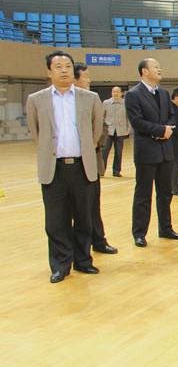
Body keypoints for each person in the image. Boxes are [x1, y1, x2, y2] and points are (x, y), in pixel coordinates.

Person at [27, 51, 104, 283]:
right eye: (58, 66)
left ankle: (83, 261)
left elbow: (96, 130)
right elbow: (36, 132)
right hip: (54, 168)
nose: (64, 70)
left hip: (82, 166)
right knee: (56, 220)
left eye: (68, 66)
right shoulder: (36, 100)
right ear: (49, 72)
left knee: (84, 217)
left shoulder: (90, 98)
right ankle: (60, 265)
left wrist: (85, 150)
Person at [125, 57, 178, 247]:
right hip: (146, 152)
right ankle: (139, 233)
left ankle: (165, 228)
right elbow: (137, 121)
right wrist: (160, 131)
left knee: (165, 193)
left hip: (165, 150)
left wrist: (167, 129)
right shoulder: (133, 94)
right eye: (155, 67)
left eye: (159, 66)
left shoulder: (164, 93)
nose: (160, 69)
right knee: (143, 195)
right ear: (144, 71)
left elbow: (172, 116)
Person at [74, 63, 118, 255]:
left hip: (91, 158)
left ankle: (98, 241)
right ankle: (76, 248)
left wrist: (93, 143)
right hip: (68, 161)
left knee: (93, 205)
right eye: (86, 76)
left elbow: (103, 126)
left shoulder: (93, 99)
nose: (89, 80)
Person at [102, 86, 130, 177]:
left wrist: (128, 129)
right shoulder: (106, 103)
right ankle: (101, 170)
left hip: (120, 131)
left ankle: (116, 171)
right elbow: (102, 116)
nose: (115, 93)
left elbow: (128, 117)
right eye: (114, 91)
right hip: (108, 131)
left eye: (117, 91)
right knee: (104, 151)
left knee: (118, 152)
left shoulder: (126, 103)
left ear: (121, 93)